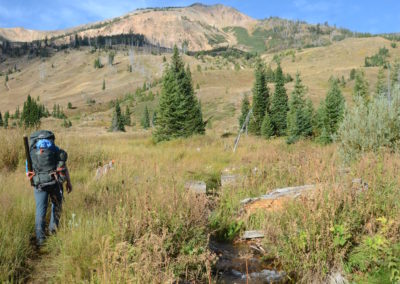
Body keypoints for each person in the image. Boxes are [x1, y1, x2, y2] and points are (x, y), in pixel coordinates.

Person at [26, 130, 72, 246]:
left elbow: (28, 172)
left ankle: (40, 238)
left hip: (39, 185)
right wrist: (68, 182)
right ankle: (53, 231)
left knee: (40, 210)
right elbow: (63, 166)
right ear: (51, 139)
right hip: (54, 183)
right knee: (56, 205)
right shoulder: (54, 149)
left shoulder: (31, 151)